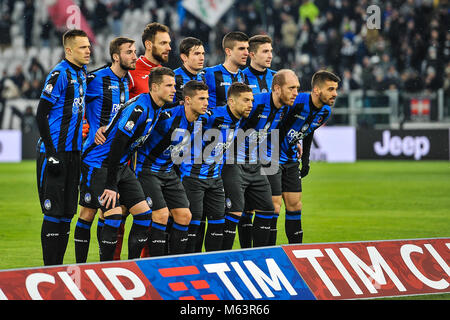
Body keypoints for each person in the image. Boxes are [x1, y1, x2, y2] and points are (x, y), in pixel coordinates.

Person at [92, 67, 175, 261]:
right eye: (169, 85)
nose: (173, 89)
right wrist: (111, 185)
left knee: (144, 215)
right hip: (102, 164)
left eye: (174, 85)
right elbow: (117, 144)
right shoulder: (139, 109)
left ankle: (133, 264)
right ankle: (105, 267)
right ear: (154, 87)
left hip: (121, 165)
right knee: (111, 216)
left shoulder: (157, 107)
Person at [74, 36, 137, 263]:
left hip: (117, 160)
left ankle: (106, 265)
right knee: (88, 213)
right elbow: (74, 105)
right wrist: (86, 128)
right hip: (95, 158)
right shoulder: (95, 79)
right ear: (116, 56)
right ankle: (81, 266)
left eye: (135, 51)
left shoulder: (127, 81)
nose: (134, 55)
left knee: (111, 214)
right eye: (129, 52)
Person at [221, 69, 300, 249]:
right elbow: (230, 120)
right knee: (235, 211)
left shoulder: (284, 109)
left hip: (256, 164)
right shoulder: (255, 103)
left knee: (267, 209)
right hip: (234, 162)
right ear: (277, 89)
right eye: (292, 88)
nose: (296, 92)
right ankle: (222, 256)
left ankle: (259, 257)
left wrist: (296, 141)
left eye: (297, 88)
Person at [35, 29, 91, 266]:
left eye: (88, 46)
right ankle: (50, 269)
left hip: (74, 153)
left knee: (67, 213)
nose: (88, 51)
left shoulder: (82, 73)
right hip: (55, 152)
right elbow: (40, 114)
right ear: (69, 50)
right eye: (82, 47)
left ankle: (57, 268)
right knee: (53, 212)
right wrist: (51, 152)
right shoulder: (59, 74)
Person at [135, 80, 208, 256]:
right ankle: (156, 264)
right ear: (188, 100)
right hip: (148, 170)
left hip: (168, 172)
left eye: (207, 98)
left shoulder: (199, 121)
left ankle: (175, 263)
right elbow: (136, 133)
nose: (206, 102)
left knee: (185, 216)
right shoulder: (165, 118)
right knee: (160, 215)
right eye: (201, 98)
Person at [179, 82, 253, 253]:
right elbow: (189, 121)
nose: (250, 104)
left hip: (215, 180)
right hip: (193, 177)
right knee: (194, 223)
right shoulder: (212, 115)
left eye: (251, 100)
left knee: (218, 223)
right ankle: (190, 265)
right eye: (246, 100)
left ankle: (212, 266)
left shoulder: (239, 119)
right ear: (232, 102)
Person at [276, 70, 340, 244]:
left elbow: (308, 131)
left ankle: (296, 252)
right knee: (272, 208)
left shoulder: (325, 111)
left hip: (290, 161)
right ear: (317, 90)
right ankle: (265, 253)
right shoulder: (296, 102)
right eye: (331, 89)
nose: (335, 94)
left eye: (336, 89)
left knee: (295, 205)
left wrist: (305, 161)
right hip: (272, 159)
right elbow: (276, 124)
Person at [239, 34, 277, 248]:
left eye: (271, 51)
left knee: (271, 205)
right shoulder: (241, 79)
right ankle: (247, 252)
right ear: (252, 54)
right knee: (246, 208)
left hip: (270, 147)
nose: (270, 55)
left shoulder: (276, 77)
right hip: (245, 148)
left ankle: (268, 252)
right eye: (265, 51)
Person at [203, 31, 249, 109]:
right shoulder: (209, 74)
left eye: (247, 48)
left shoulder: (244, 76)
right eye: (241, 49)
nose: (246, 53)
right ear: (228, 51)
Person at [128, 22, 171, 99]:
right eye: (163, 43)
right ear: (148, 45)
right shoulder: (131, 71)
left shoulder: (164, 72)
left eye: (168, 43)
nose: (169, 48)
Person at [173, 37, 206, 104]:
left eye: (203, 54)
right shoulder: (173, 77)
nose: (202, 58)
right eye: (197, 54)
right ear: (184, 57)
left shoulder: (202, 79)